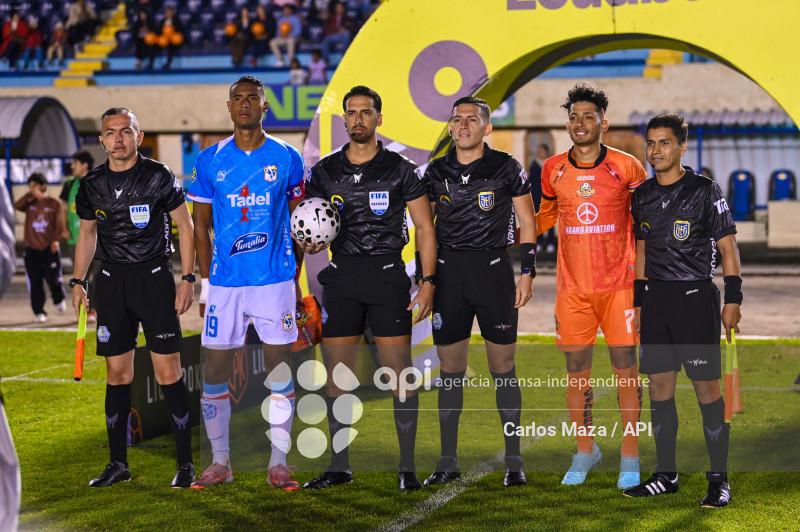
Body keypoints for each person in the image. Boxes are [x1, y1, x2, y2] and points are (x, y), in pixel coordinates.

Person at [298, 85, 437, 491]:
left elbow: (426, 229)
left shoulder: (400, 168)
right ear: (343, 120)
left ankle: (407, 468)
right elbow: (309, 225)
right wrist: (308, 243)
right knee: (337, 376)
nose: (358, 118)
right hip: (341, 278)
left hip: (387, 277)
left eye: (366, 112)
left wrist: (427, 283)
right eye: (352, 112)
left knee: (398, 373)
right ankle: (338, 465)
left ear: (379, 118)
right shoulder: (324, 172)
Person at [187, 76, 306, 491]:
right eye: (237, 99)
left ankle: (279, 463)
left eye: (251, 98)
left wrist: (293, 278)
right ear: (228, 106)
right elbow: (200, 228)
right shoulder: (209, 159)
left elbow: (300, 225)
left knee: (279, 369)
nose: (243, 105)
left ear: (264, 106)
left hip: (274, 282)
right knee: (215, 370)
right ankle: (221, 462)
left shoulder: (288, 158)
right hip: (225, 283)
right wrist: (205, 284)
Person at [71, 107, 196, 488]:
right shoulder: (91, 184)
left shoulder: (158, 176)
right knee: (117, 374)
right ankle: (118, 465)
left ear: (139, 137)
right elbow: (88, 235)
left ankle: (186, 464)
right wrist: (78, 281)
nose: (119, 138)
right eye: (111, 132)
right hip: (111, 282)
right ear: (102, 140)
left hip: (154, 278)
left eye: (127, 131)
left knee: (168, 372)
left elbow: (185, 226)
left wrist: (188, 277)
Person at [624, 113, 740, 508]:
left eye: (664, 143)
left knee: (707, 390)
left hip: (695, 299)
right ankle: (666, 474)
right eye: (651, 143)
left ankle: (719, 479)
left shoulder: (705, 190)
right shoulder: (640, 195)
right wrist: (639, 304)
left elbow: (728, 249)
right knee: (659, 388)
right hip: (656, 302)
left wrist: (733, 299)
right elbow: (640, 252)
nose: (655, 150)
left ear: (681, 146)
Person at [535, 83, 646, 489]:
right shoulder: (552, 169)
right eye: (574, 117)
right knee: (576, 372)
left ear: (604, 121)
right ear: (567, 123)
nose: (580, 123)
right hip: (573, 289)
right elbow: (542, 219)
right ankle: (586, 450)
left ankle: (630, 455)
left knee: (625, 372)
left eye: (589, 116)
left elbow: (646, 225)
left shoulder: (627, 166)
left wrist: (645, 281)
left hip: (619, 287)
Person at [422, 96, 536, 488]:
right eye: (457, 119)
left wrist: (528, 272)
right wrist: (426, 279)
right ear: (450, 127)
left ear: (487, 128)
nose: (463, 125)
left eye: (472, 119)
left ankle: (514, 460)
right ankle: (447, 458)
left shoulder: (507, 167)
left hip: (493, 273)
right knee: (450, 370)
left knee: (502, 367)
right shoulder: (435, 172)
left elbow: (527, 220)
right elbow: (424, 229)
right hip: (450, 275)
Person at [14, 173, 67, 323]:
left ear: (43, 186)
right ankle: (38, 311)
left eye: (35, 186)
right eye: (30, 187)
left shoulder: (53, 203)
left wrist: (56, 240)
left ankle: (58, 299)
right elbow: (17, 206)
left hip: (49, 248)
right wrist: (28, 195)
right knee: (35, 281)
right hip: (31, 249)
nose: (33, 190)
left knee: (53, 278)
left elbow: (59, 223)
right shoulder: (29, 203)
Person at [60, 150, 97, 320]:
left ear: (84, 165)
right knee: (82, 275)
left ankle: (94, 307)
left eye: (74, 163)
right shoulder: (69, 185)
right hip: (76, 238)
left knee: (98, 275)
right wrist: (63, 227)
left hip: (98, 239)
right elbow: (63, 208)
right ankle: (86, 308)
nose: (72, 166)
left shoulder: (98, 181)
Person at [528, 143, 556, 253]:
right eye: (539, 151)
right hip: (536, 196)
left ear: (546, 152)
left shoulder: (550, 164)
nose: (540, 153)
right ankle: (538, 242)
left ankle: (550, 243)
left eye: (542, 151)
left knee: (549, 220)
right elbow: (531, 181)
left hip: (548, 197)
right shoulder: (534, 165)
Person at [148, 5, 183, 69]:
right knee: (153, 47)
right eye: (166, 12)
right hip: (163, 39)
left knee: (171, 47)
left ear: (173, 13)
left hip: (172, 40)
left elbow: (180, 30)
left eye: (169, 12)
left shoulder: (176, 21)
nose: (168, 14)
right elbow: (158, 31)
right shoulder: (163, 21)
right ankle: (151, 64)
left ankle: (168, 64)